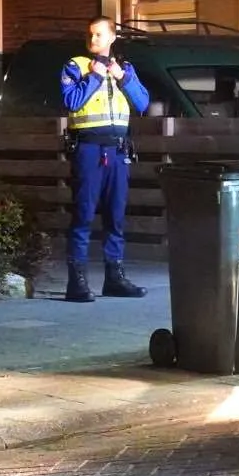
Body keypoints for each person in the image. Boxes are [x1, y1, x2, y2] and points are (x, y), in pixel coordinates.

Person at [60, 17, 151, 302]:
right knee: (84, 214)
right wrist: (95, 77)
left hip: (118, 151)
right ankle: (77, 282)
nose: (93, 39)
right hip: (88, 149)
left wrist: (122, 77)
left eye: (99, 35)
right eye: (90, 35)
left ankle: (115, 278)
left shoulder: (124, 68)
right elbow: (71, 101)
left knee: (116, 216)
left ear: (112, 37)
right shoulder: (76, 66)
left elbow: (142, 103)